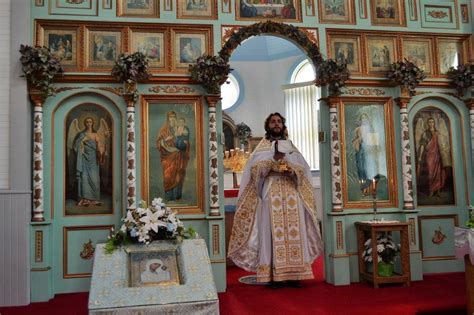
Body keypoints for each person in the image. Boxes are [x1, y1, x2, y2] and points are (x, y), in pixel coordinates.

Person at [228, 112, 323, 289]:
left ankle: (295, 274)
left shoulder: (292, 148)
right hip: (271, 192)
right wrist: (272, 162)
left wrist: (292, 170)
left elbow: (303, 170)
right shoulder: (262, 148)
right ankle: (273, 275)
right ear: (268, 126)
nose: (276, 124)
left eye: (279, 121)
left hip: (291, 193)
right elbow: (253, 173)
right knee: (270, 232)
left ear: (283, 125)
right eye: (273, 122)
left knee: (295, 231)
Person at [155, 111, 190, 201]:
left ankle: (177, 198)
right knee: (168, 177)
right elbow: (158, 143)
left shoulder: (180, 129)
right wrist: (165, 142)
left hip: (179, 157)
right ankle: (169, 199)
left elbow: (186, 142)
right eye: (171, 117)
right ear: (168, 119)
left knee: (178, 176)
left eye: (174, 117)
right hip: (167, 158)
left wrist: (183, 144)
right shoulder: (163, 130)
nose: (173, 119)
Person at [73, 117, 105, 206]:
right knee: (85, 178)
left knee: (95, 179)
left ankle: (94, 199)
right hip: (84, 159)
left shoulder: (95, 134)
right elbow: (76, 146)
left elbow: (99, 145)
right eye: (87, 122)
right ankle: (85, 199)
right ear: (85, 123)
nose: (89, 123)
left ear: (92, 123)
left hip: (94, 159)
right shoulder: (82, 134)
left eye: (90, 122)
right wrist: (83, 141)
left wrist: (101, 152)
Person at [416, 117, 446, 198]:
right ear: (427, 123)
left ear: (434, 123)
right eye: (429, 122)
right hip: (429, 155)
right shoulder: (425, 133)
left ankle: (438, 191)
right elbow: (422, 145)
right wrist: (419, 156)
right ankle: (431, 191)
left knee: (439, 173)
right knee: (430, 173)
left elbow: (442, 144)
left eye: (432, 122)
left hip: (438, 155)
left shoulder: (437, 132)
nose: (431, 123)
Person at [352, 113, 380, 196]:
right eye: (362, 119)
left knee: (372, 170)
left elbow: (375, 144)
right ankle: (364, 189)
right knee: (362, 170)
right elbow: (355, 142)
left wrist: (373, 145)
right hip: (361, 153)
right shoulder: (358, 130)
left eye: (365, 119)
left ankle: (373, 189)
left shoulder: (371, 129)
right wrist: (360, 139)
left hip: (370, 154)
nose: (364, 120)